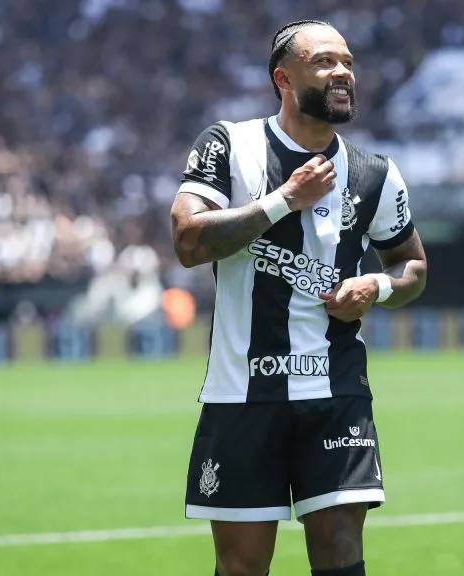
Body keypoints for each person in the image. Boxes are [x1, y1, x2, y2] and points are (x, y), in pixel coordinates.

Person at [169, 20, 428, 576]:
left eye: (348, 63)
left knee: (340, 551)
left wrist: (377, 286)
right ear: (283, 78)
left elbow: (413, 266)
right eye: (325, 62)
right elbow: (188, 241)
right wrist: (285, 200)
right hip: (241, 393)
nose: (343, 73)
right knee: (241, 566)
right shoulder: (228, 145)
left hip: (336, 390)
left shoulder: (375, 173)